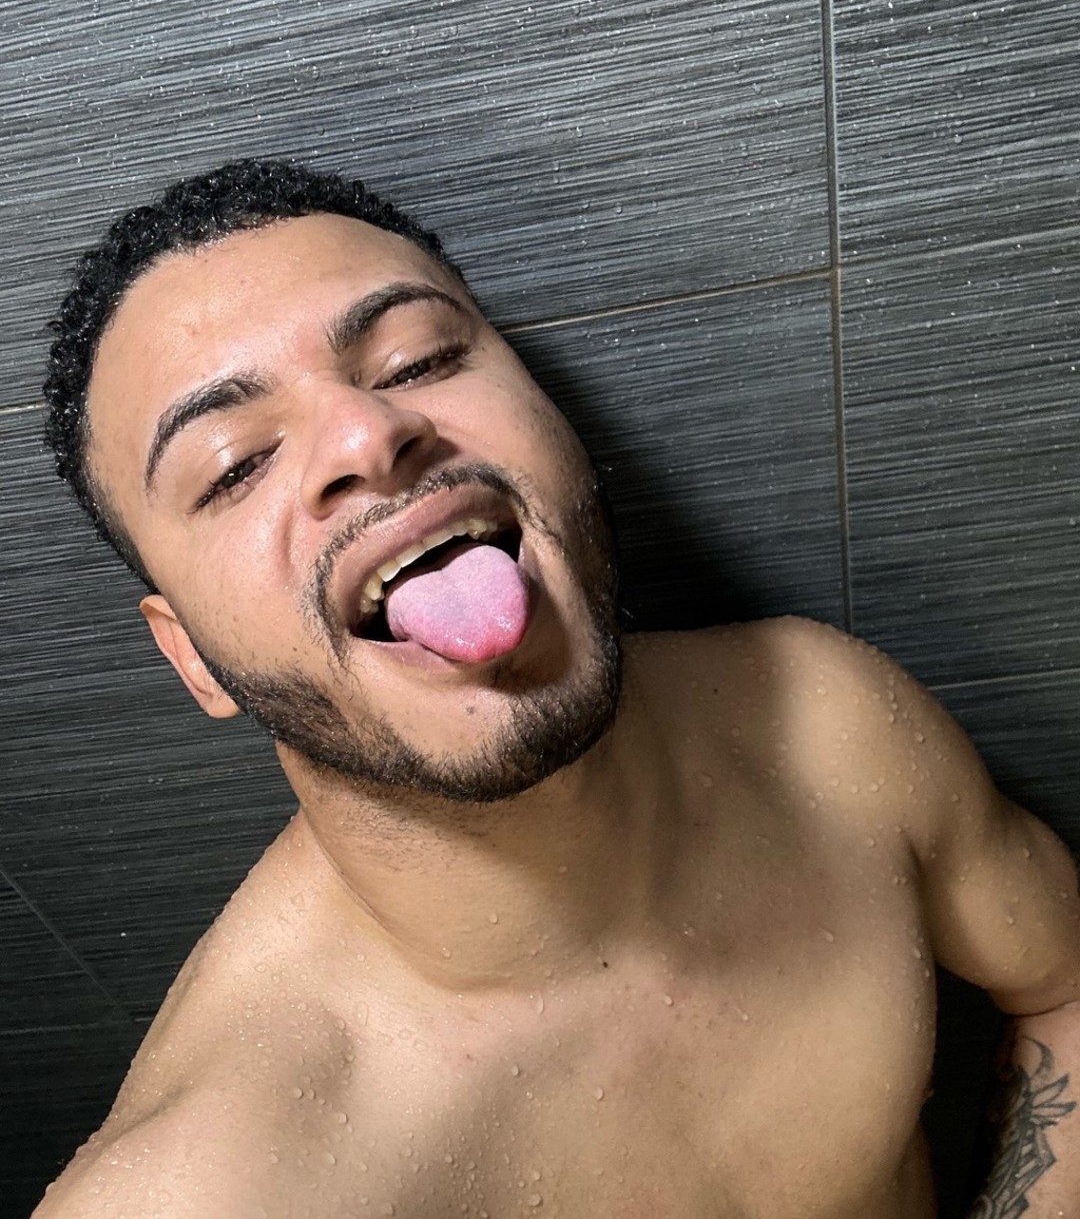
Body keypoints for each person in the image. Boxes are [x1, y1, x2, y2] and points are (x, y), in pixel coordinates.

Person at [34, 159, 1080, 1218]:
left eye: (417, 358)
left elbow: (1064, 988)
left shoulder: (837, 725)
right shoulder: (209, 1190)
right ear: (193, 658)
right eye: (233, 465)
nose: (365, 434)